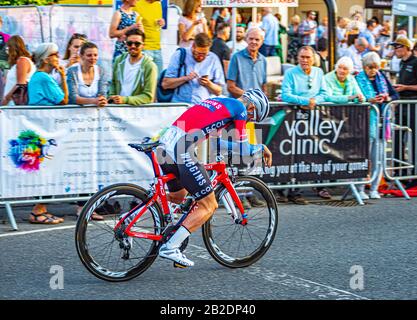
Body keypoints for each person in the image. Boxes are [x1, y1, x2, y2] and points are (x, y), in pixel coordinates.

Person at [157, 89, 273, 267]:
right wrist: (260, 147)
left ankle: (129, 219)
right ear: (251, 108)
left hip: (166, 145)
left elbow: (217, 142)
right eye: (252, 118)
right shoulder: (240, 108)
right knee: (209, 205)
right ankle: (171, 247)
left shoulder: (219, 101)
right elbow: (243, 148)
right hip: (181, 148)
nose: (249, 120)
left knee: (179, 196)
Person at [280, 46, 329, 205]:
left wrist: (314, 102)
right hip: (292, 116)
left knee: (307, 154)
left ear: (313, 59)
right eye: (302, 57)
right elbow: (286, 94)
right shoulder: (290, 73)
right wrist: (305, 101)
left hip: (312, 116)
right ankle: (283, 190)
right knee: (289, 153)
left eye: (308, 57)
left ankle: (298, 191)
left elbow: (324, 93)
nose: (305, 60)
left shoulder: (319, 72)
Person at [27, 42, 68, 224]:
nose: (58, 57)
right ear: (45, 58)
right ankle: (38, 210)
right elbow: (64, 100)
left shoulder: (39, 76)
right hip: (45, 128)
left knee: (46, 166)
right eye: (55, 54)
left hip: (42, 126)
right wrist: (63, 76)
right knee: (47, 166)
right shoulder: (43, 77)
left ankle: (41, 208)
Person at [355, 52, 399, 199]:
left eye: (375, 67)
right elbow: (356, 97)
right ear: (364, 67)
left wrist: (387, 97)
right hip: (366, 123)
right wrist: (369, 99)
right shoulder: (358, 78)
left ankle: (374, 188)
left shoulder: (382, 77)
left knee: (378, 158)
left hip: (382, 122)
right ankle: (360, 188)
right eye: (370, 67)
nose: (373, 70)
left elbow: (395, 95)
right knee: (364, 158)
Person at [162, 32, 224, 105]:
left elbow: (219, 91)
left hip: (203, 107)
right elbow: (165, 84)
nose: (201, 57)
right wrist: (186, 78)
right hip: (181, 105)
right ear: (193, 46)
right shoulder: (180, 55)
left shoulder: (213, 59)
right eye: (198, 53)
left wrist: (208, 84)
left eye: (204, 54)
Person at [108, 29, 158, 105]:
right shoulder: (119, 61)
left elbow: (148, 97)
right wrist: (111, 97)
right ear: (126, 44)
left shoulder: (150, 66)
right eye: (129, 43)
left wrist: (125, 100)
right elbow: (113, 83)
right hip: (118, 109)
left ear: (143, 45)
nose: (133, 46)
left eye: (137, 44)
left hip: (138, 111)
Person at [227, 27, 267, 98]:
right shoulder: (236, 57)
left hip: (256, 105)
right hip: (239, 104)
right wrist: (250, 96)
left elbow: (263, 86)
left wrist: (263, 101)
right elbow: (230, 87)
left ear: (262, 42)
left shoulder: (263, 60)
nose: (253, 42)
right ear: (246, 39)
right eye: (251, 39)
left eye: (257, 39)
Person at [1, 35, 35, 106]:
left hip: (14, 103)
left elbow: (20, 85)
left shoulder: (22, 61)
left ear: (14, 48)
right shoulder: (18, 62)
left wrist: (6, 99)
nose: (7, 50)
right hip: (11, 102)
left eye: (8, 47)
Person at [133, 0, 165, 75]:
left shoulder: (158, 4)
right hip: (145, 48)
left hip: (157, 47)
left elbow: (157, 24)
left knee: (158, 79)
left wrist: (162, 22)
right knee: (146, 79)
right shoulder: (137, 5)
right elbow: (137, 27)